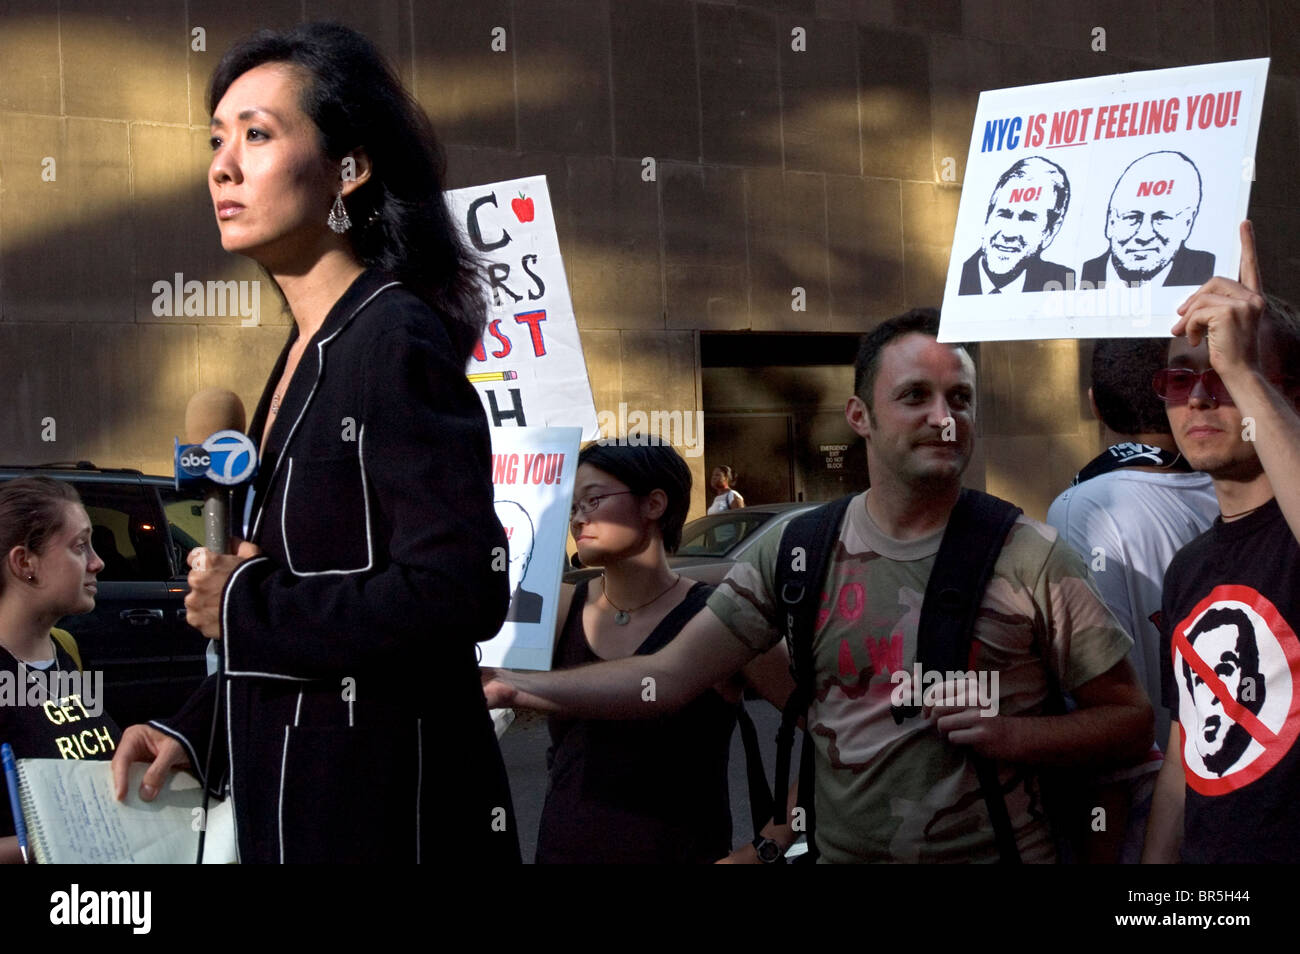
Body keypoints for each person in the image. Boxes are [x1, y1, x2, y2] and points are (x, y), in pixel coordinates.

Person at [486, 309, 1152, 863]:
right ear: (859, 416)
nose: (944, 417)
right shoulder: (796, 549)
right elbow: (666, 677)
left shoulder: (1032, 555)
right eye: (915, 396)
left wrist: (1015, 736)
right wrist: (519, 686)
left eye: (961, 398)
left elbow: (1129, 722)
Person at [109, 23, 516, 864]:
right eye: (217, 140)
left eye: (258, 134)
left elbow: (457, 590)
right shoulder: (302, 352)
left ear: (348, 170)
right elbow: (296, 607)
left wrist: (246, 603)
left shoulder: (391, 334)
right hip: (289, 807)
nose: (223, 165)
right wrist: (195, 731)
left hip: (384, 819)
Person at [536, 441, 794, 864]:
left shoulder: (720, 617)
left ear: (654, 503)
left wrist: (765, 848)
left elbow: (838, 737)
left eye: (594, 499)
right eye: (572, 506)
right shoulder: (562, 606)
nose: (578, 517)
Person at [1144, 222, 1300, 863]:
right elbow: (1189, 749)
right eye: (1180, 380)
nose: (1202, 395)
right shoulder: (1188, 566)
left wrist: (1242, 368)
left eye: (1225, 375)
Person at [1047, 338, 1218, 862]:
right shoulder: (1235, 489)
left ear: (1095, 404)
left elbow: (1101, 710)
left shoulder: (1083, 508)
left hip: (1140, 817)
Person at [0, 478, 117, 864]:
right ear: (24, 563)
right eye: (80, 546)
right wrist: (55, 845)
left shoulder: (66, 648)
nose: (97, 562)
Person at [1081, 151, 1215, 288]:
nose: (1145, 236)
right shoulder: (1080, 275)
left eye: (1161, 218)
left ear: (1187, 223)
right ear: (1111, 222)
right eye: (1132, 217)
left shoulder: (1208, 271)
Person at [958, 156, 1074, 294]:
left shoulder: (1063, 281)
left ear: (1050, 232)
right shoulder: (955, 276)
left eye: (1027, 218)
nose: (1009, 233)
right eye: (1004, 214)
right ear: (988, 217)